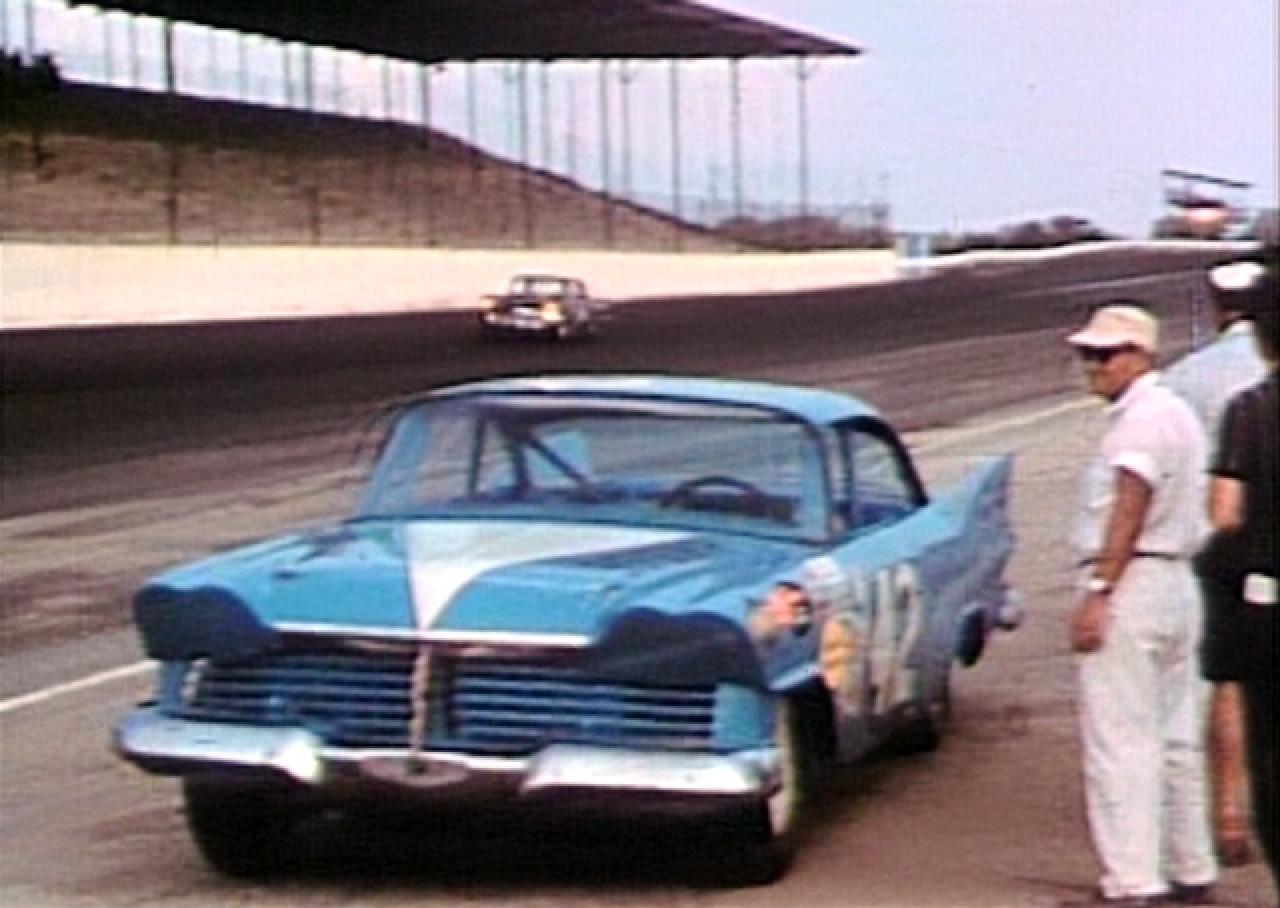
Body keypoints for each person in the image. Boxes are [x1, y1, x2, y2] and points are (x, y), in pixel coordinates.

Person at [1065, 302, 1218, 907]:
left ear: (1139, 356)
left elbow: (1130, 504)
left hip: (1133, 580)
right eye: (1088, 355)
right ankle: (1190, 864)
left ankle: (1133, 881)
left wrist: (1100, 591)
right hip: (1176, 581)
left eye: (1104, 355)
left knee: (1121, 738)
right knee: (1176, 735)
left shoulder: (1141, 422)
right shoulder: (1177, 413)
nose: (1092, 367)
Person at [1166, 256, 1267, 866]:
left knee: (1227, 681)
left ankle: (1229, 813)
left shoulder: (1187, 377)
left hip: (1221, 549)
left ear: (1216, 306)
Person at [1204, 262, 1278, 898]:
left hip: (1264, 599)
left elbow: (1224, 512)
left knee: (1267, 745)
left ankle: (1234, 816)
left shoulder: (1248, 409)